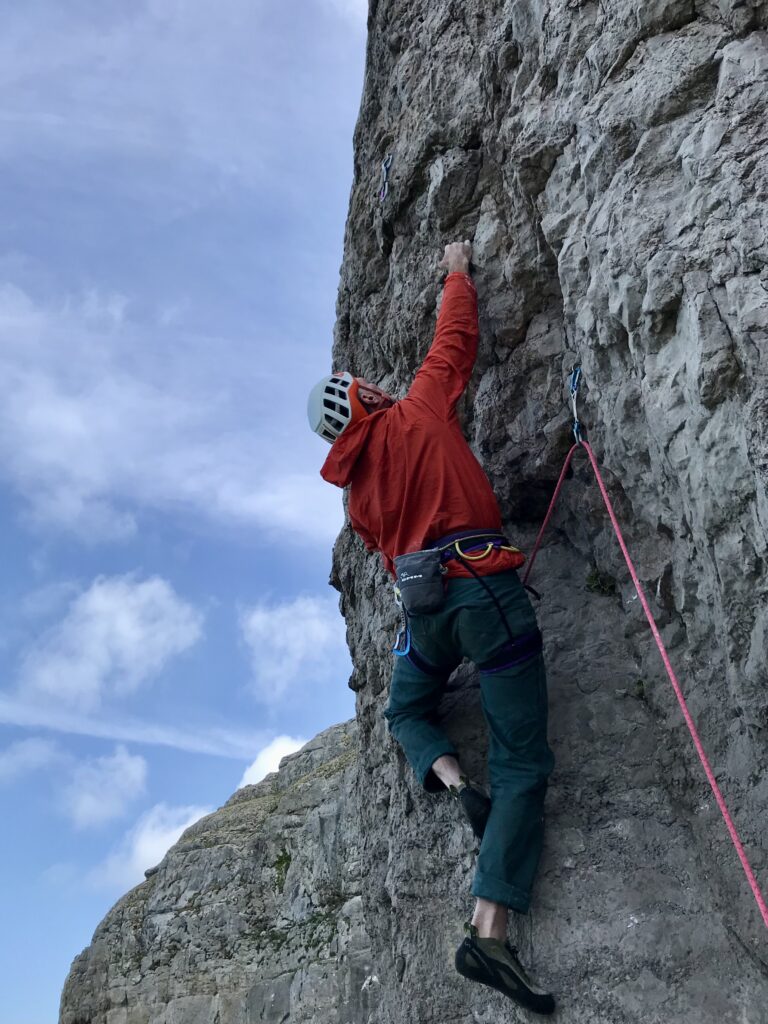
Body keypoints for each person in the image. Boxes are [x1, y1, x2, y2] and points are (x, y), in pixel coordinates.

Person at [307, 241, 555, 1016]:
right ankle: (489, 928)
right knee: (523, 762)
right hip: (484, 589)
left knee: (406, 709)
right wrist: (455, 267)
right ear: (365, 399)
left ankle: (450, 780)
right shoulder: (415, 411)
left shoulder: (355, 502)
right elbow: (456, 340)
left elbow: (389, 555)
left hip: (427, 618)